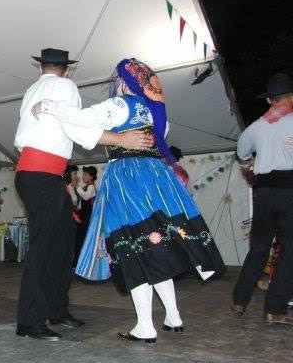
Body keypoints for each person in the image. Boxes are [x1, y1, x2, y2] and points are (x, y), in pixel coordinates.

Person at [33, 57, 225, 342]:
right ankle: (173, 317)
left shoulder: (121, 105)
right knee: (155, 248)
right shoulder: (155, 112)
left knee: (133, 249)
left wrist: (48, 106)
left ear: (125, 81)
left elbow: (84, 118)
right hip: (156, 179)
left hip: (128, 180)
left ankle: (145, 326)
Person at [14, 48, 155, 341]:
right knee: (46, 248)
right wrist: (119, 138)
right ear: (68, 70)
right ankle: (30, 320)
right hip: (42, 173)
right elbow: (75, 125)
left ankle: (56, 308)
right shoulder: (65, 86)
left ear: (41, 68)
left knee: (63, 243)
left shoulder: (33, 89)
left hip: (42, 173)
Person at [232, 72, 293, 325]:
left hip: (265, 193)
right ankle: (275, 308)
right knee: (290, 250)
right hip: (290, 190)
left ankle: (239, 299)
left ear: (269, 101)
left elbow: (242, 153)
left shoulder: (255, 127)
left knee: (259, 247)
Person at [75, 166, 97, 265]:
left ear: (91, 177)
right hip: (83, 215)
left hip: (87, 216)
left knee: (82, 237)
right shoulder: (85, 186)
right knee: (80, 238)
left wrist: (76, 187)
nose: (83, 176)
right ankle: (78, 261)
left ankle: (80, 262)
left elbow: (86, 196)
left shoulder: (91, 186)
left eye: (85, 175)